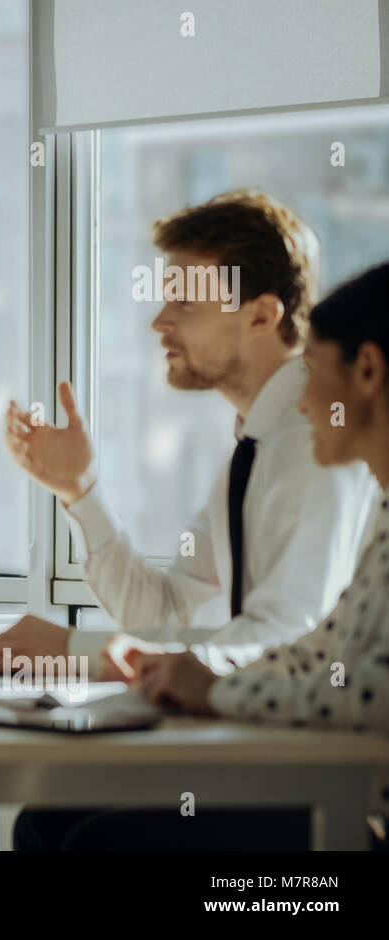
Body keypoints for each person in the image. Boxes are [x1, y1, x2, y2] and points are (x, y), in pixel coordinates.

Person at [28, 263, 389, 851]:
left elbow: (359, 686)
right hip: (333, 788)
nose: (303, 402)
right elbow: (310, 651)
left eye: (315, 374)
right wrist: (81, 493)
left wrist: (211, 687)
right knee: (52, 823)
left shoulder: (308, 457)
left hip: (357, 818)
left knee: (99, 842)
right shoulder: (255, 457)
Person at [0, 190, 376, 680]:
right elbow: (165, 617)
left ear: (262, 316)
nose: (159, 321)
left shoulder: (313, 440)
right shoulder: (256, 447)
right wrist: (81, 491)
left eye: (184, 301)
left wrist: (75, 648)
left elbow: (280, 640)